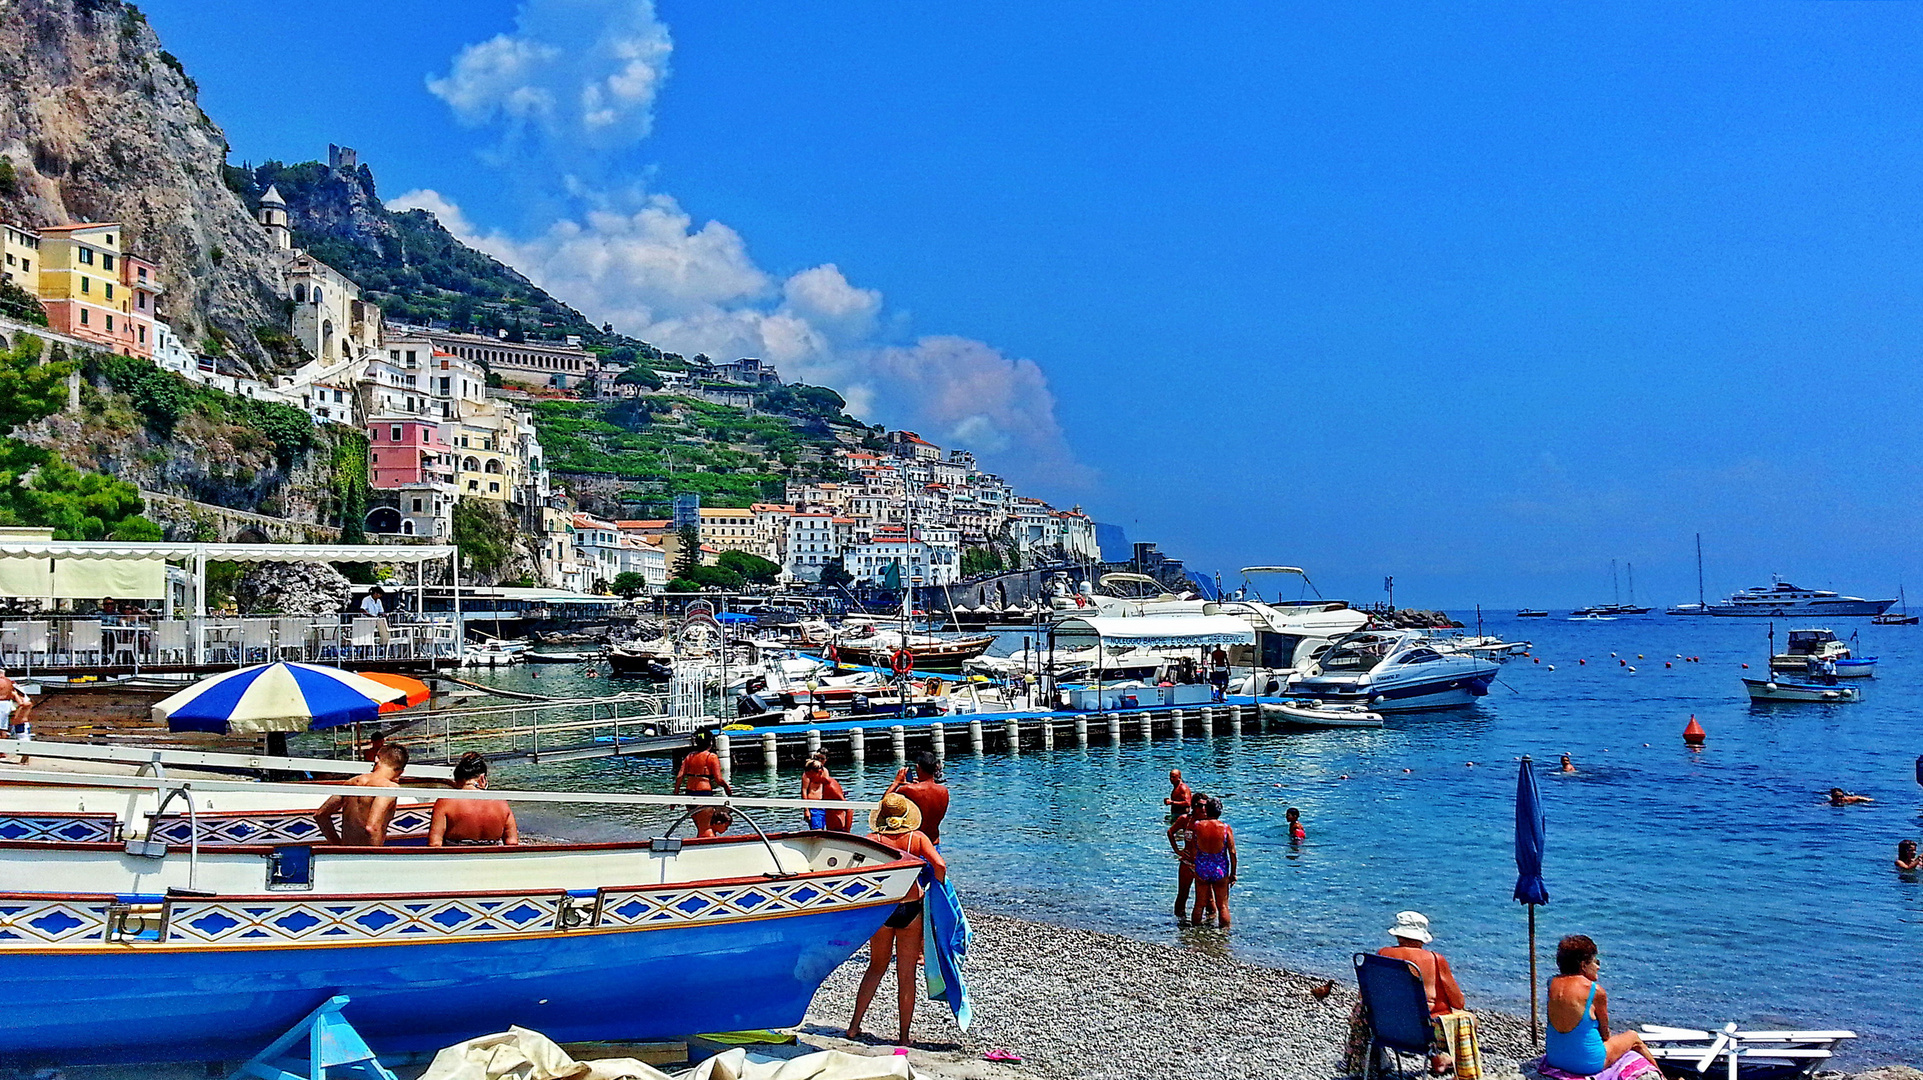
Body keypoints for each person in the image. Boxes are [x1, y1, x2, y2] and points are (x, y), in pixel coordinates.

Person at [847, 793, 946, 1047]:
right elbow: (940, 866)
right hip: (910, 907)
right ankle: (903, 1037)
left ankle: (854, 1026)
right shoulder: (917, 838)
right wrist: (940, 891)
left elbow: (853, 871)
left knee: (876, 967)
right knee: (906, 975)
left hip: (883, 908)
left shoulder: (873, 840)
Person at [1545, 935, 1663, 1080]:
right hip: (1587, 1063)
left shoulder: (1551, 983)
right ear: (1583, 965)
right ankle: (1662, 1076)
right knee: (1633, 1036)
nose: (1598, 967)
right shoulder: (1595, 991)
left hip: (1554, 1058)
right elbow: (1605, 1034)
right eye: (1595, 962)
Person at [315, 743, 409, 846]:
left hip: (345, 854)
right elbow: (372, 827)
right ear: (401, 772)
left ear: (377, 759)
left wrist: (338, 845)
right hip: (367, 856)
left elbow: (320, 815)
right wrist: (375, 856)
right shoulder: (389, 788)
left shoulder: (352, 782)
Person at [429, 751, 518, 846]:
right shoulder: (502, 804)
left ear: (457, 779)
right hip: (491, 859)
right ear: (483, 778)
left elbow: (434, 844)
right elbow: (512, 842)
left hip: (457, 858)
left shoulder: (445, 802)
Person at [674, 730, 733, 837]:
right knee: (705, 828)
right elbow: (719, 779)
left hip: (689, 794)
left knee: (700, 827)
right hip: (703, 793)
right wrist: (727, 787)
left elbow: (679, 777)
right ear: (710, 742)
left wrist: (675, 796)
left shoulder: (690, 756)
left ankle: (698, 845)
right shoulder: (711, 757)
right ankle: (709, 848)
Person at [1189, 797, 1236, 928]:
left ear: (1206, 810)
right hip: (1220, 869)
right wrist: (1233, 873)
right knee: (1223, 905)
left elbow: (1193, 849)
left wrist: (1195, 864)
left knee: (1199, 904)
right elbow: (1232, 852)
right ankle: (1224, 936)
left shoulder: (1197, 826)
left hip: (1202, 867)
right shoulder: (1225, 828)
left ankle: (1194, 933)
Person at [885, 750, 949, 845]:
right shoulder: (944, 791)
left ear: (918, 767)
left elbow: (884, 803)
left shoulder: (909, 789)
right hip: (934, 843)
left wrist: (896, 782)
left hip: (915, 843)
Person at [1167, 791, 1203, 922]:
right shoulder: (1185, 820)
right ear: (1194, 806)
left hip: (1202, 864)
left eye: (1205, 806)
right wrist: (1177, 850)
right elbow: (1170, 832)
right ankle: (1179, 923)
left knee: (1208, 899)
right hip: (1187, 862)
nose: (1203, 809)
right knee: (1182, 894)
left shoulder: (1207, 822)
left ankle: (1209, 930)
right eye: (1200, 805)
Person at [801, 752, 853, 831]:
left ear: (820, 773)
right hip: (829, 825)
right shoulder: (824, 786)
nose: (810, 780)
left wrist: (847, 831)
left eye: (811, 777)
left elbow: (849, 809)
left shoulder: (831, 786)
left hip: (838, 826)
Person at [0, 670, 35, 742]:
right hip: (15, 725)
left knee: (24, 742)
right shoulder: (13, 703)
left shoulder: (27, 703)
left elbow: (22, 704)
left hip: (21, 725)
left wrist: (15, 695)